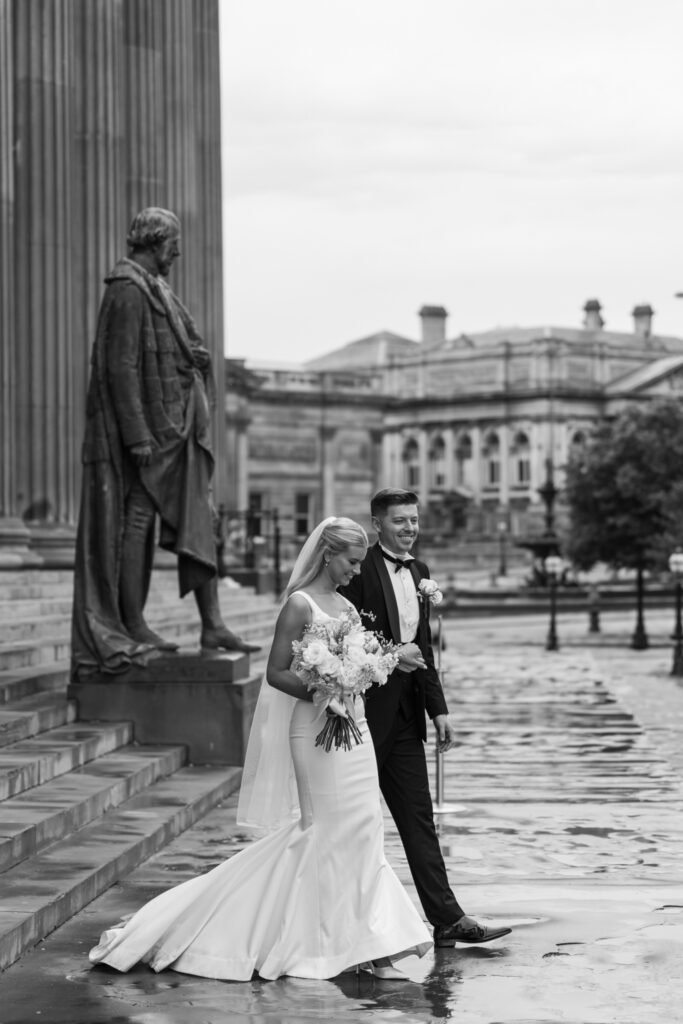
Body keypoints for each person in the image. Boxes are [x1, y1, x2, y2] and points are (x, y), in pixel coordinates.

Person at [88, 517, 432, 981]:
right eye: (352, 562)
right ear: (327, 554)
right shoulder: (299, 605)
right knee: (323, 830)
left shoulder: (349, 609)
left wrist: (377, 665)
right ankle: (321, 940)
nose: (356, 571)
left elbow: (363, 667)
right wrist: (322, 689)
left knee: (366, 825)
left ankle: (366, 940)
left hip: (355, 729)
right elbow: (275, 673)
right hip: (313, 730)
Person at [71, 207, 257, 678]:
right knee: (138, 523)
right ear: (156, 241)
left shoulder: (158, 290)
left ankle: (211, 623)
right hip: (150, 436)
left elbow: (181, 348)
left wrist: (197, 358)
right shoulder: (128, 289)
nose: (176, 251)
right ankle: (131, 622)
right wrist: (136, 436)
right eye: (172, 242)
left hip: (175, 432)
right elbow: (120, 367)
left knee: (200, 521)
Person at [340, 488, 511, 947]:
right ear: (378, 524)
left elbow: (425, 649)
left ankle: (448, 919)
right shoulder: (358, 572)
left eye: (414, 519)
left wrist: (439, 710)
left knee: (419, 820)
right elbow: (347, 641)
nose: (410, 528)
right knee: (354, 821)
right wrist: (397, 654)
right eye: (400, 520)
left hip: (406, 721)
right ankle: (348, 922)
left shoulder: (421, 572)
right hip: (360, 717)